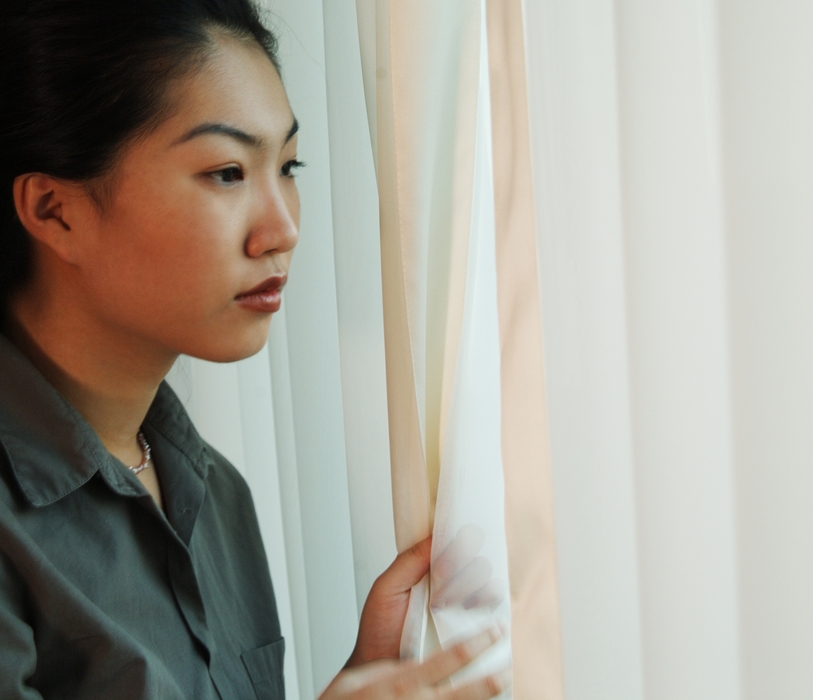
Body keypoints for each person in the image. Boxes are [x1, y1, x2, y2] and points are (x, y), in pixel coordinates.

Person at [0, 1, 509, 698]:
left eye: (290, 166)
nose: (282, 229)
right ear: (54, 210)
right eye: (228, 172)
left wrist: (362, 678)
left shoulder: (214, 495)